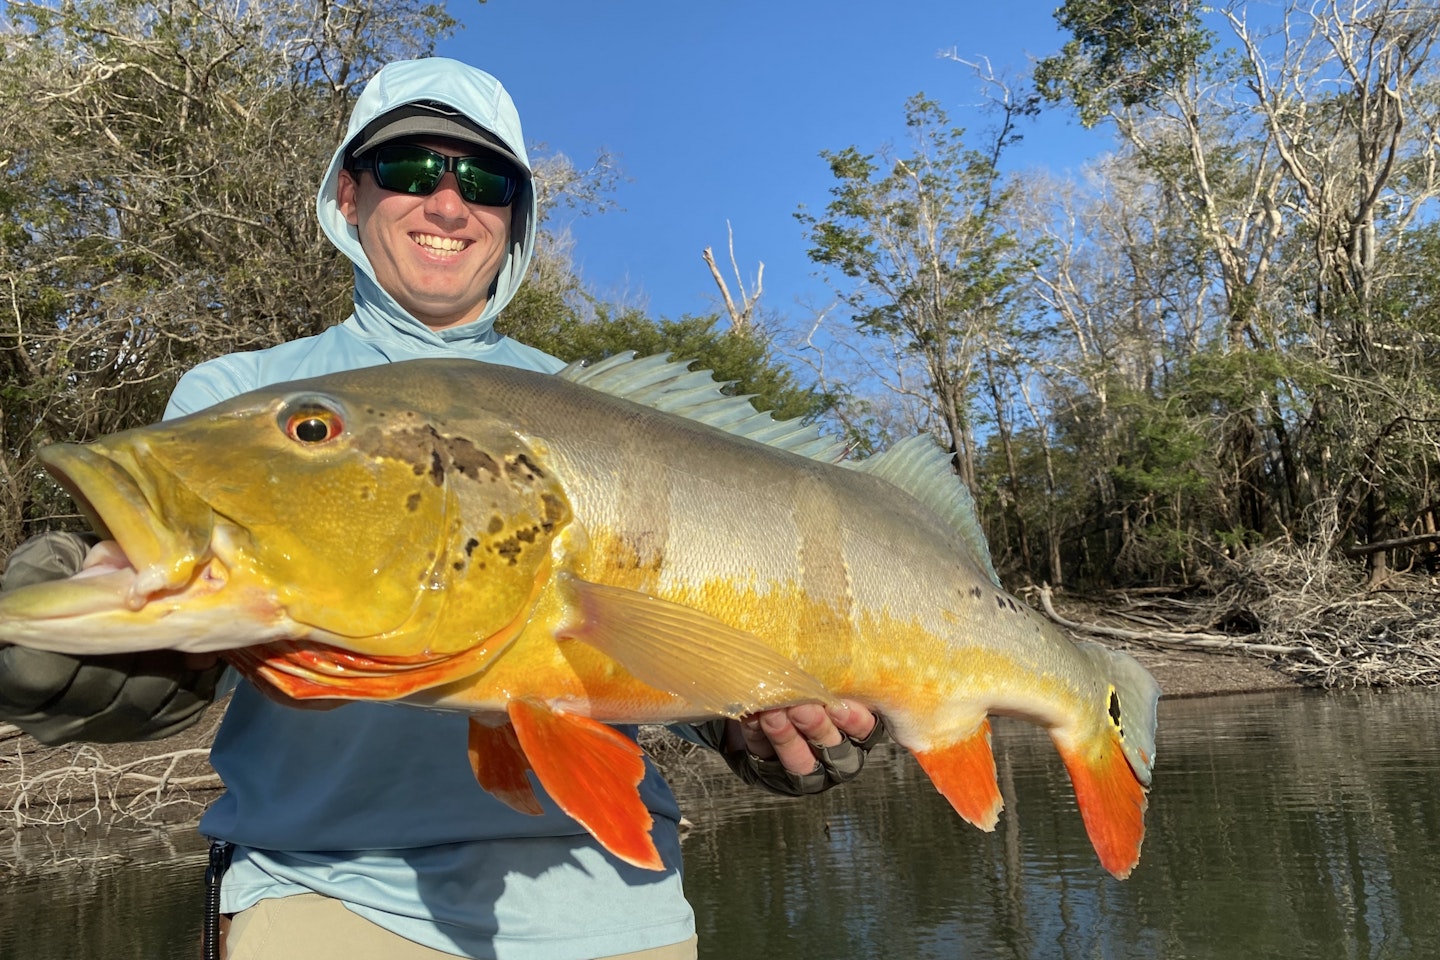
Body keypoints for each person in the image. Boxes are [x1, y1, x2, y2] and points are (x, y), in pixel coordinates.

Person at [0, 57, 881, 960]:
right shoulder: (239, 397)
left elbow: (679, 658)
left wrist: (756, 729)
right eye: (411, 170)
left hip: (622, 904)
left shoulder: (613, 417)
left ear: (516, 220)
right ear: (348, 195)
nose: (448, 204)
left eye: (487, 182)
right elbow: (193, 642)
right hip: (325, 894)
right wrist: (121, 675)